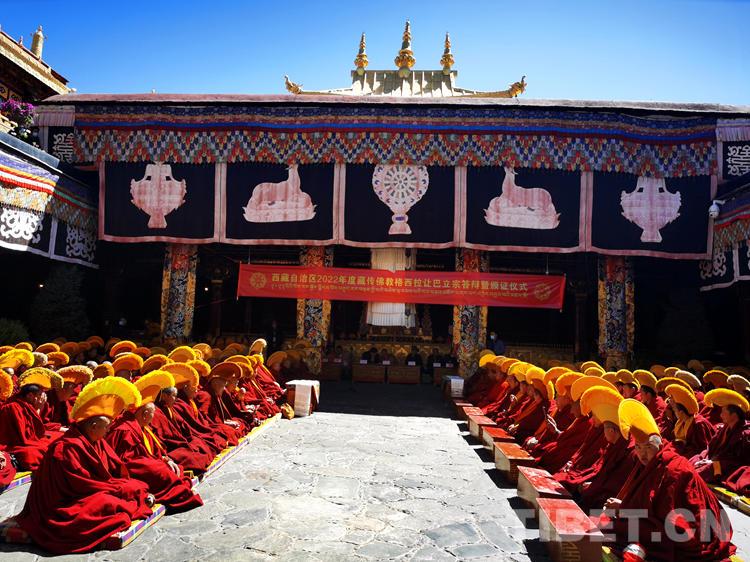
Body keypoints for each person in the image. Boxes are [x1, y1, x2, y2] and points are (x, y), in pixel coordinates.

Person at [15, 377, 153, 554]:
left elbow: (112, 469)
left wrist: (117, 485)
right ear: (93, 426)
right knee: (107, 504)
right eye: (106, 427)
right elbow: (80, 484)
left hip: (88, 490)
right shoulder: (65, 448)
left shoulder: (94, 439)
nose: (108, 431)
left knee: (134, 486)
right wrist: (114, 488)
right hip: (62, 504)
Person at [598, 399, 735, 561]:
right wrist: (624, 506)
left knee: (628, 528)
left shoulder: (675, 469)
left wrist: (624, 509)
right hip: (665, 521)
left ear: (661, 446)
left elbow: (668, 515)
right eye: (638, 448)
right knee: (613, 522)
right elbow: (648, 502)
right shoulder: (650, 464)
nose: (642, 454)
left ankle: (641, 547)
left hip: (693, 529)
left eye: (648, 447)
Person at [106, 372, 203, 512]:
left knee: (167, 467)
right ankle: (175, 489)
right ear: (145, 415)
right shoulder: (124, 430)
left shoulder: (140, 425)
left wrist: (163, 459)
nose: (152, 419)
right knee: (159, 471)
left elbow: (152, 450)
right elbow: (124, 462)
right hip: (129, 470)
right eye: (152, 415)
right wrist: (155, 463)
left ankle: (172, 482)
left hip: (145, 462)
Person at [575, 386, 636, 511]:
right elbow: (599, 468)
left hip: (608, 499)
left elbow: (616, 484)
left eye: (604, 429)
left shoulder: (628, 451)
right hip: (598, 487)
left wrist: (593, 486)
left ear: (612, 431)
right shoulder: (613, 444)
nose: (603, 432)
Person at [0, 368, 65, 471]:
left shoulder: (27, 403)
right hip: (17, 443)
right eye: (39, 395)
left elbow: (36, 432)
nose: (41, 398)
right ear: (30, 395)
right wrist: (37, 409)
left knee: (59, 439)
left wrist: (37, 409)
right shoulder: (12, 407)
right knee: (32, 454)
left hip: (31, 440)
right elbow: (25, 436)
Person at [690, 388, 750, 484]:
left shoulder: (744, 434)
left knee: (703, 471)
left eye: (723, 412)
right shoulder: (726, 427)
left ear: (734, 415)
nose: (721, 415)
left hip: (729, 465)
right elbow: (712, 447)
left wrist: (713, 462)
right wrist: (708, 458)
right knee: (695, 461)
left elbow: (739, 460)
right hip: (718, 459)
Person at [664, 384, 715, 460]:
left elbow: (701, 448)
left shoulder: (698, 424)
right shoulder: (681, 423)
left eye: (675, 411)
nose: (674, 413)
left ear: (681, 412)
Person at [41, 365, 93, 431]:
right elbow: (43, 425)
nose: (73, 393)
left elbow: (70, 420)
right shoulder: (46, 401)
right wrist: (65, 430)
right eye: (72, 390)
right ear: (62, 391)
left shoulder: (64, 402)